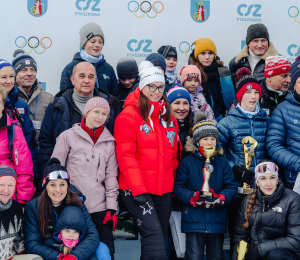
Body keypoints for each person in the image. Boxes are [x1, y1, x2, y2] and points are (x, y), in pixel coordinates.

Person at [114, 61, 179, 260]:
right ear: (142, 87)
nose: (157, 91)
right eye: (152, 86)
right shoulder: (128, 116)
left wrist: (173, 188)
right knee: (155, 239)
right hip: (136, 190)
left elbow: (174, 156)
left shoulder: (168, 117)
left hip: (163, 190)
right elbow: (125, 155)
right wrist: (138, 189)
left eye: (161, 87)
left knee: (156, 240)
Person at [51, 97, 119, 259]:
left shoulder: (109, 142)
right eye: (96, 112)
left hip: (99, 207)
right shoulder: (67, 136)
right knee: (73, 250)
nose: (100, 117)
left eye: (104, 114)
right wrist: (58, 202)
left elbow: (111, 176)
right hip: (72, 205)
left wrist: (111, 208)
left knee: (106, 249)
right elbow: (55, 171)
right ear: (86, 112)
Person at [217, 68, 269, 256]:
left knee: (260, 235)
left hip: (263, 189)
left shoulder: (266, 119)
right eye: (248, 92)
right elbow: (215, 153)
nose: (253, 96)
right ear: (239, 95)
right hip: (238, 190)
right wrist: (235, 169)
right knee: (239, 234)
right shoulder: (227, 122)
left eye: (256, 92)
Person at [174, 112, 237, 260]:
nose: (209, 142)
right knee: (194, 256)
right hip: (193, 220)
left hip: (217, 219)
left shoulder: (222, 163)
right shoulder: (187, 162)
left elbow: (232, 187)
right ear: (197, 142)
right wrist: (193, 197)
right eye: (205, 139)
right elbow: (178, 188)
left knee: (216, 256)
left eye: (213, 139)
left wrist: (220, 198)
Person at [39, 62, 120, 173]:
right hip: (65, 179)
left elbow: (116, 145)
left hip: (99, 178)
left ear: (95, 80)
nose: (86, 80)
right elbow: (46, 145)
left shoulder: (110, 106)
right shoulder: (56, 107)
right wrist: (48, 175)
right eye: (81, 76)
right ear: (72, 79)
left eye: (91, 77)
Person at [24, 158, 100, 260]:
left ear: (68, 186)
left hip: (76, 250)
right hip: (51, 252)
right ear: (45, 186)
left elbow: (92, 235)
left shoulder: (77, 202)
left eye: (62, 184)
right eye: (52, 185)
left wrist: (74, 256)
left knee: (102, 250)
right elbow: (32, 243)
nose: (58, 190)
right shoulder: (33, 206)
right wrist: (58, 256)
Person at [233, 161, 300, 260]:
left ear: (277, 179)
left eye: (272, 178)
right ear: (257, 181)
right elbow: (240, 237)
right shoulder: (248, 200)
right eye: (263, 178)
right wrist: (239, 256)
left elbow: (295, 240)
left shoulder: (292, 199)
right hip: (255, 254)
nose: (268, 183)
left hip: (282, 255)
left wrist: (260, 249)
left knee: (275, 255)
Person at [0, 59, 39, 183]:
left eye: (11, 76)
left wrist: (34, 177)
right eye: (3, 77)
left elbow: (29, 142)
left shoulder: (20, 104)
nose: (8, 81)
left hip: (18, 172)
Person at [60, 22, 121, 100]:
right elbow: (64, 97)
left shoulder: (108, 69)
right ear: (83, 44)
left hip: (104, 112)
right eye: (93, 41)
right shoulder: (71, 67)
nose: (97, 45)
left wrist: (109, 111)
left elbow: (116, 98)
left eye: (100, 42)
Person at [266, 55, 300, 190]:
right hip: (294, 178)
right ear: (294, 85)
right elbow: (273, 145)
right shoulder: (283, 109)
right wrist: (298, 163)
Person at [0, 85, 34, 205]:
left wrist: (21, 202)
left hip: (7, 198)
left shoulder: (13, 131)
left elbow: (24, 170)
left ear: (3, 105)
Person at [12, 49, 54, 147]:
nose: (30, 73)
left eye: (32, 69)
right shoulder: (7, 99)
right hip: (15, 155)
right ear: (15, 74)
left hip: (41, 156)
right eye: (24, 70)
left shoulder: (49, 99)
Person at [0, 167, 41, 260]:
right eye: (1, 184)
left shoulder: (16, 207)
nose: (6, 190)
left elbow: (19, 239)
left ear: (15, 187)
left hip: (10, 257)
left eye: (10, 185)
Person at [190, 38, 235, 121]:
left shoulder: (222, 72)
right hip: (198, 121)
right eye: (203, 53)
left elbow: (230, 102)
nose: (207, 57)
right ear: (196, 56)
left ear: (214, 55)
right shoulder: (191, 73)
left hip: (219, 119)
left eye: (210, 53)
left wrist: (225, 79)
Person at [44, 206, 111, 260]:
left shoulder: (84, 245)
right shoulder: (52, 244)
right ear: (60, 231)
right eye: (67, 231)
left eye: (75, 232)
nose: (71, 235)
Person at [167, 85, 193, 161]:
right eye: (177, 103)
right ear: (169, 106)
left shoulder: (196, 127)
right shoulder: (161, 127)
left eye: (185, 103)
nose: (181, 108)